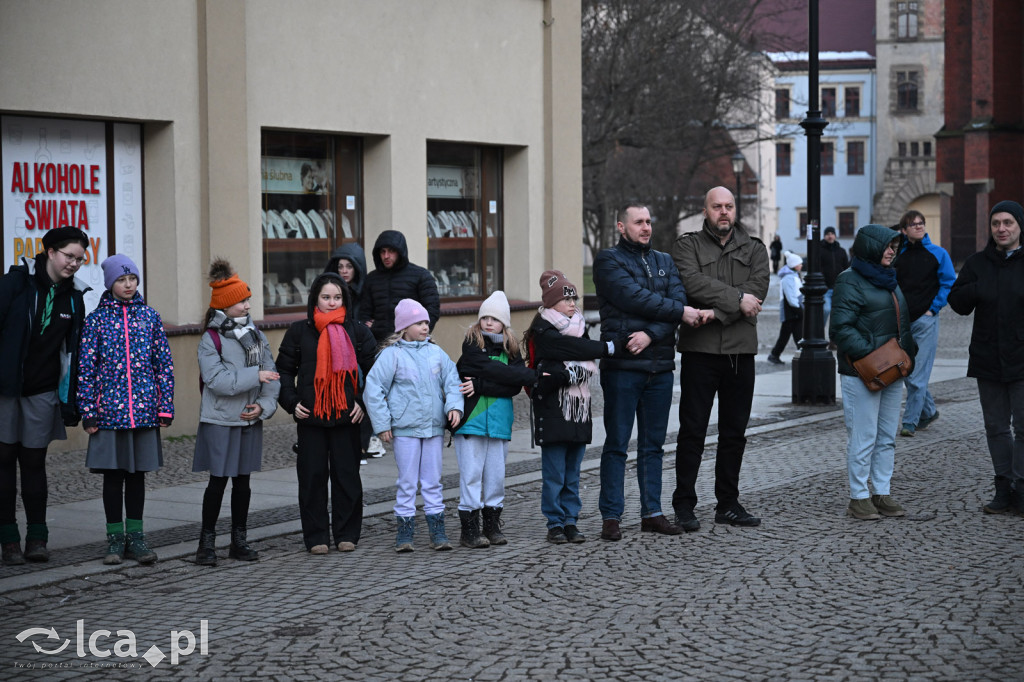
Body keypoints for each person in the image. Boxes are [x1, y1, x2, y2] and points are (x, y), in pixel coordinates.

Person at [593, 202, 704, 541]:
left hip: (659, 366)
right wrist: (679, 312)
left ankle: (652, 512)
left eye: (648, 222)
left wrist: (651, 333)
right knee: (616, 443)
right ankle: (611, 516)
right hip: (623, 368)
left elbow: (673, 300)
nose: (646, 227)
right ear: (621, 226)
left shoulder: (665, 261)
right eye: (638, 222)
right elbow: (633, 298)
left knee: (653, 445)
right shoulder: (608, 260)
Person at [671, 186, 769, 530]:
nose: (724, 212)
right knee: (692, 431)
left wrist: (716, 313)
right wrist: (736, 299)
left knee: (734, 433)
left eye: (729, 206)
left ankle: (727, 503)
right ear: (705, 209)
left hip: (741, 353)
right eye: (717, 206)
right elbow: (691, 283)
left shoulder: (755, 249)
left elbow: (757, 295)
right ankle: (684, 503)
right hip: (700, 353)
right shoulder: (688, 246)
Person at [0, 225, 89, 565]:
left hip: (42, 391)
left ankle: (38, 537)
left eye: (80, 259)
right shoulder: (14, 286)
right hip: (6, 390)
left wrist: (72, 399)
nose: (74, 264)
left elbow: (73, 351)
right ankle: (8, 539)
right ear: (50, 252)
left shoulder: (74, 297)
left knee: (34, 463)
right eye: (69, 256)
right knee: (5, 462)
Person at [78, 255, 174, 565]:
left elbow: (163, 365)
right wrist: (88, 410)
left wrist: (165, 405)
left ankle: (137, 538)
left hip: (144, 411)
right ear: (110, 284)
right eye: (122, 279)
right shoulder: (96, 321)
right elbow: (86, 369)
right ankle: (114, 540)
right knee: (113, 477)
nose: (129, 284)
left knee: (137, 477)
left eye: (132, 278)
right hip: (109, 414)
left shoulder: (150, 317)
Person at [277, 273, 377, 554]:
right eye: (326, 297)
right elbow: (283, 371)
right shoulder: (299, 331)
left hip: (347, 417)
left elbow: (376, 374)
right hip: (311, 418)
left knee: (347, 478)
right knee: (312, 478)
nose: (332, 303)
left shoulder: (357, 331)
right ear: (315, 299)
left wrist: (362, 402)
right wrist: (291, 400)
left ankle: (347, 533)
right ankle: (316, 536)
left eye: (337, 297)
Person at [192, 260, 280, 566]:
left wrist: (263, 407)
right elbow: (218, 382)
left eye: (247, 300)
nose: (247, 305)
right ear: (225, 306)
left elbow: (272, 374)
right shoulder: (210, 339)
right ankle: (206, 544)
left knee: (243, 483)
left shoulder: (255, 334)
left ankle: (238, 541)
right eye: (241, 301)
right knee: (218, 482)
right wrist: (254, 377)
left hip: (247, 418)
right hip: (220, 420)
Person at [524, 271, 620, 544]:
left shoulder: (579, 326)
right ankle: (555, 522)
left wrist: (589, 351)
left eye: (574, 298)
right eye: (566, 299)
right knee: (554, 474)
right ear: (551, 303)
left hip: (578, 410)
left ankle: (571, 521)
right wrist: (598, 350)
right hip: (553, 411)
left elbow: (582, 349)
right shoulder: (543, 329)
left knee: (573, 474)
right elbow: (570, 350)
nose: (572, 304)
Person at [364, 299, 465, 552]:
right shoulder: (392, 355)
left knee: (432, 481)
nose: (425, 327)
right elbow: (374, 388)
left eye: (426, 323)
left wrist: (454, 406)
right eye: (419, 323)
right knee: (407, 481)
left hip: (432, 429)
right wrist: (382, 423)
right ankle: (404, 532)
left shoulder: (436, 353)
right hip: (405, 429)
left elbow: (452, 381)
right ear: (405, 327)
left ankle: (438, 532)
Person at [831, 225, 917, 520]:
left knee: (886, 436)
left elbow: (900, 322)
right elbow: (840, 328)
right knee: (863, 436)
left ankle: (882, 492)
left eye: (894, 246)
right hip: (862, 372)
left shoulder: (889, 280)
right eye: (886, 246)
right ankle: (859, 497)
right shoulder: (849, 280)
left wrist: (908, 351)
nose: (891, 251)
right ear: (870, 247)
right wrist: (872, 353)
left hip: (892, 370)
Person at [948, 200, 1024, 514]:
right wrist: (977, 289)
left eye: (1008, 223)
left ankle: (1021, 488)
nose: (1002, 229)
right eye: (996, 224)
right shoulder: (978, 263)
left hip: (1022, 359)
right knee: (995, 427)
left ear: (1019, 226)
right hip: (987, 357)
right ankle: (1003, 488)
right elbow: (957, 301)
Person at [453, 291, 536, 548]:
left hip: (500, 423)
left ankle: (491, 526)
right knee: (471, 475)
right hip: (472, 422)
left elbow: (514, 385)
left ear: (504, 323)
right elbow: (495, 371)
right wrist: (508, 376)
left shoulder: (511, 349)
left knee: (495, 477)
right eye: (485, 317)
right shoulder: (471, 345)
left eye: (494, 318)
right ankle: (469, 530)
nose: (488, 322)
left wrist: (480, 385)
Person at [894, 211, 955, 437]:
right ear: (904, 230)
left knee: (918, 374)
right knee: (905, 372)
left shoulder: (938, 254)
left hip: (926, 320)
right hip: (902, 321)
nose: (918, 227)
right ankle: (928, 411)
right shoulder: (898, 256)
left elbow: (949, 282)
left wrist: (933, 309)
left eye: (921, 223)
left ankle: (909, 422)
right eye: (913, 224)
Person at [324, 243, 385, 462]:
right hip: (333, 351)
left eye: (349, 266)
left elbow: (377, 317)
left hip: (360, 351)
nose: (344, 271)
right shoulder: (328, 291)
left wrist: (369, 327)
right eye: (340, 266)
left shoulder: (366, 291)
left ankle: (362, 442)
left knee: (363, 393)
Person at [358, 230, 441, 344]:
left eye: (391, 251)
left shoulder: (421, 276)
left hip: (411, 343)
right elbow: (364, 314)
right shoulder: (371, 279)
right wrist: (371, 330)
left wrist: (416, 336)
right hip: (378, 344)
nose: (386, 256)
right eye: (383, 252)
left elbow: (432, 310)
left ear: (400, 251)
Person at [767, 251, 804, 365]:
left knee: (795, 333)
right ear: (794, 265)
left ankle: (776, 354)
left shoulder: (793, 276)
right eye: (800, 263)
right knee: (789, 334)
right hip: (791, 310)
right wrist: (799, 310)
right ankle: (775, 354)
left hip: (793, 310)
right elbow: (791, 296)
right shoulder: (788, 278)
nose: (802, 265)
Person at [820, 226, 850, 337]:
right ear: (824, 236)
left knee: (836, 315)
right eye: (828, 234)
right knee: (826, 310)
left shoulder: (841, 251)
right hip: (825, 288)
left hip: (838, 288)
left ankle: (833, 340)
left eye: (832, 233)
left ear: (835, 236)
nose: (830, 235)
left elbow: (846, 268)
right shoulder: (820, 250)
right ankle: (820, 333)